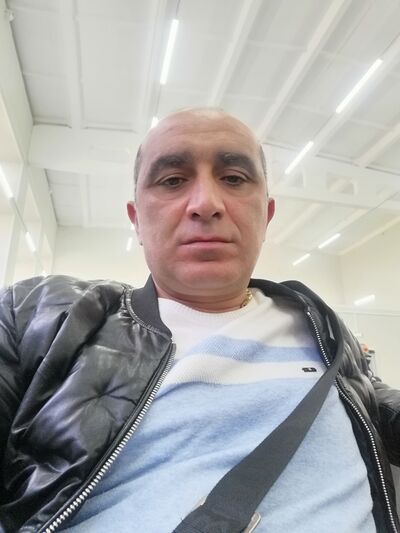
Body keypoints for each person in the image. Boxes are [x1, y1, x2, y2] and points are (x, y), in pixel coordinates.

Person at [0, 108, 399, 533]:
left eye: (234, 179)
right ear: (136, 220)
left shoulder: (322, 327)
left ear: (266, 215)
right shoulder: (41, 314)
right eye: (173, 180)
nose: (206, 204)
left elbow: (375, 399)